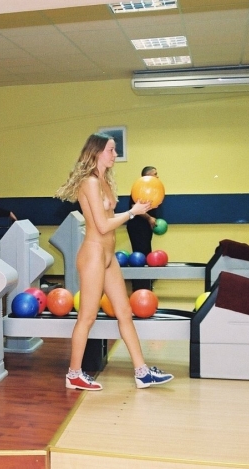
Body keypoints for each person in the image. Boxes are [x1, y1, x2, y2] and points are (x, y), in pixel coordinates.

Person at [55, 133, 173, 391]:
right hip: (93, 255)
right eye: (111, 150)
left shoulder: (104, 180)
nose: (115, 154)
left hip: (108, 256)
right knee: (87, 317)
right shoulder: (89, 182)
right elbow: (102, 224)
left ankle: (142, 372)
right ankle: (73, 374)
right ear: (98, 152)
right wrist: (132, 212)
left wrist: (137, 209)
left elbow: (110, 215)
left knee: (124, 313)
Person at [126, 166, 160, 292]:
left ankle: (146, 286)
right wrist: (149, 218)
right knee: (140, 256)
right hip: (137, 227)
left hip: (145, 227)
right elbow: (134, 207)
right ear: (147, 176)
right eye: (155, 174)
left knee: (146, 254)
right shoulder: (139, 188)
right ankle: (139, 287)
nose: (157, 176)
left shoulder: (153, 189)